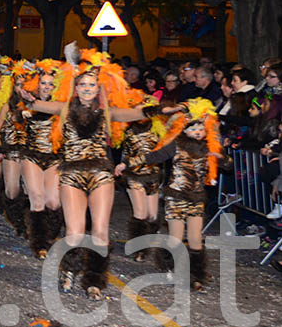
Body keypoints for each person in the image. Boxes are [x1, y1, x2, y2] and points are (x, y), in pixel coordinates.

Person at [19, 44, 165, 300]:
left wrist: (163, 109)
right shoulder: (64, 109)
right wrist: (28, 98)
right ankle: (69, 270)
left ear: (98, 89)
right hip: (72, 175)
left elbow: (134, 112)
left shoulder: (106, 112)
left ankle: (94, 281)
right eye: (83, 85)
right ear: (75, 88)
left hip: (101, 175)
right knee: (75, 232)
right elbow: (40, 105)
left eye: (92, 85)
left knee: (99, 231)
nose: (87, 89)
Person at [116, 99, 229, 291]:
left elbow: (228, 165)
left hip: (196, 198)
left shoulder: (209, 147)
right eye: (193, 129)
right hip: (175, 197)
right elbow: (153, 156)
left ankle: (196, 276)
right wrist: (126, 164)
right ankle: (172, 267)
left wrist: (224, 158)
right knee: (175, 238)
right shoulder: (176, 145)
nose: (197, 132)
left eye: (201, 128)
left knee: (194, 239)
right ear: (183, 129)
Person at [19, 60, 65, 259]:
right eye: (43, 83)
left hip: (54, 158)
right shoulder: (27, 102)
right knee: (37, 199)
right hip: (32, 156)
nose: (46, 87)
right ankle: (39, 244)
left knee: (53, 202)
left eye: (50, 84)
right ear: (37, 84)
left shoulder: (60, 105)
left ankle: (50, 233)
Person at [117, 90, 165, 261]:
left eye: (145, 108)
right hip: (133, 175)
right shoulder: (127, 129)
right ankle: (139, 248)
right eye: (137, 108)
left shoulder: (158, 128)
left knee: (152, 215)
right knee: (140, 213)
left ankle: (148, 241)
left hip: (153, 175)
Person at [0, 59, 32, 238]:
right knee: (12, 190)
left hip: (32, 154)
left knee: (33, 191)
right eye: (18, 85)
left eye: (25, 85)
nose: (21, 88)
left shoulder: (37, 107)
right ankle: (16, 219)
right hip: (11, 151)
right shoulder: (7, 107)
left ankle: (26, 225)